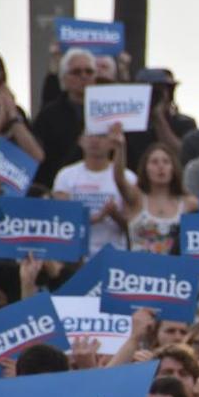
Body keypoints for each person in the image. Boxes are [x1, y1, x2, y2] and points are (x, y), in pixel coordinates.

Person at [111, 137, 196, 255]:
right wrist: (119, 147)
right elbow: (119, 179)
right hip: (139, 271)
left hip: (173, 271)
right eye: (154, 162)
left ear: (173, 168)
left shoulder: (188, 203)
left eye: (166, 162)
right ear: (145, 168)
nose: (161, 166)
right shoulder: (137, 199)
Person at [52, 131, 133, 254]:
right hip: (75, 256)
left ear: (112, 143)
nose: (95, 140)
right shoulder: (65, 175)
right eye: (90, 135)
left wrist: (115, 215)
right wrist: (99, 216)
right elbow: (61, 219)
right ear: (80, 140)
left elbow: (134, 225)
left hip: (114, 254)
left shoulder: (128, 177)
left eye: (101, 136)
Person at [34, 48, 95, 185]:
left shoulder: (107, 111)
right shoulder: (48, 115)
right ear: (63, 78)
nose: (84, 76)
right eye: (76, 72)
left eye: (89, 71)